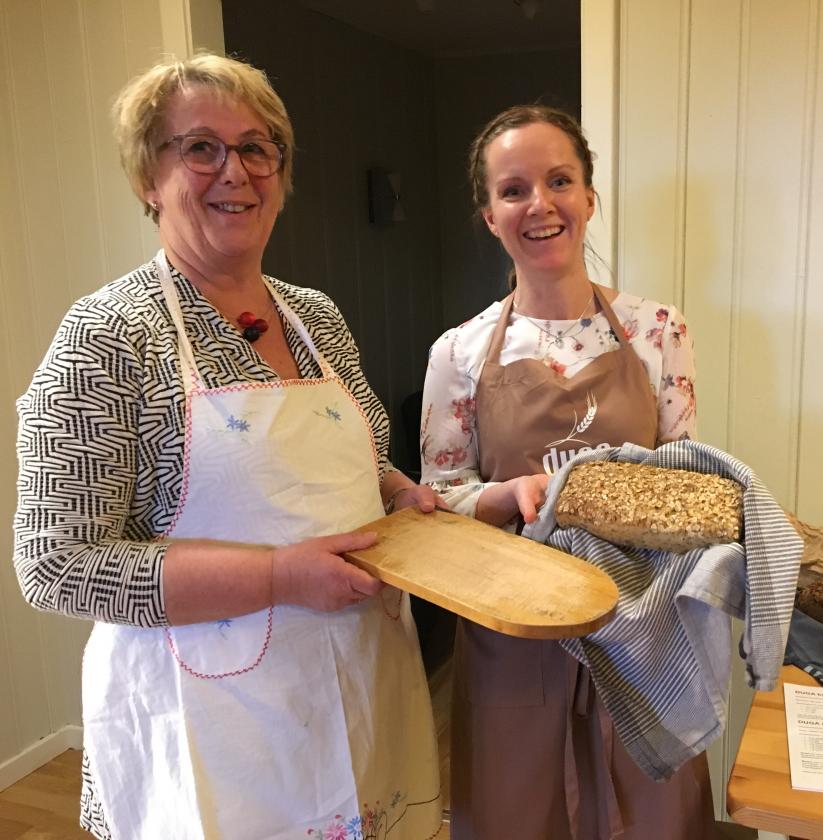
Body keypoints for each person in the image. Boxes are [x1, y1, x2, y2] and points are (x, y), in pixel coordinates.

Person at [13, 53, 443, 840]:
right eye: (200, 147)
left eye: (257, 147)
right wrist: (278, 576)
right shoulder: (109, 337)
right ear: (148, 176)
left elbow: (351, 458)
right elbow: (56, 565)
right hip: (211, 723)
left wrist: (395, 490)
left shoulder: (314, 317)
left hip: (355, 683)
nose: (235, 171)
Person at [421, 105, 716, 839]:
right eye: (513, 189)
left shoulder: (657, 332)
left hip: (641, 632)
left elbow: (692, 485)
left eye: (560, 180)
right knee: (520, 812)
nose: (540, 204)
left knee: (652, 816)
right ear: (489, 215)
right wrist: (508, 496)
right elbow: (435, 502)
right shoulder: (457, 353)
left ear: (589, 197)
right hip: (512, 638)